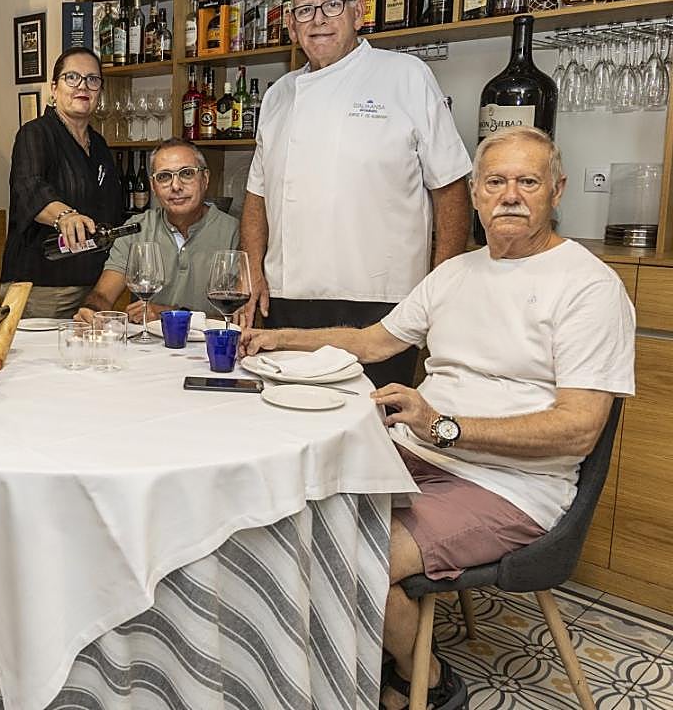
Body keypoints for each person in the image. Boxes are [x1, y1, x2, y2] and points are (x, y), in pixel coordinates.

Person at [239, 126, 635, 710]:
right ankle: (319, 665)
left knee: (350, 556)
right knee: (283, 518)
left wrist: (444, 425)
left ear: (558, 190)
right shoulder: (456, 273)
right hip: (418, 452)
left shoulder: (588, 287)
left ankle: (421, 676)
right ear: (474, 192)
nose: (510, 195)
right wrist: (277, 339)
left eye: (528, 181)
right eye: (495, 181)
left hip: (512, 485)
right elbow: (373, 341)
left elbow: (579, 427)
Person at [240, 0, 473, 389]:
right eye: (305, 10)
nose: (319, 20)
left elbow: (452, 188)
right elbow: (257, 197)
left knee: (371, 429)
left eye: (332, 5)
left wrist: (440, 289)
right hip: (286, 301)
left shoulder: (405, 76)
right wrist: (252, 271)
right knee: (285, 422)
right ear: (291, 25)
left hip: (381, 302)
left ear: (358, 13)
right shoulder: (277, 96)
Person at [0, 46, 125, 318]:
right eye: (72, 77)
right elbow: (28, 187)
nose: (83, 86)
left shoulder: (100, 146)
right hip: (42, 289)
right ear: (54, 88)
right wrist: (65, 215)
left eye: (93, 79)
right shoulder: (35, 134)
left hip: (93, 289)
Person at [74, 138, 238, 323]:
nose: (176, 186)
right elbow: (103, 295)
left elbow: (240, 319)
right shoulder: (135, 229)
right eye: (164, 177)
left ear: (205, 179)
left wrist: (172, 316)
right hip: (146, 348)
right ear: (153, 186)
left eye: (186, 174)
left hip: (210, 348)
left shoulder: (235, 233)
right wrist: (91, 310)